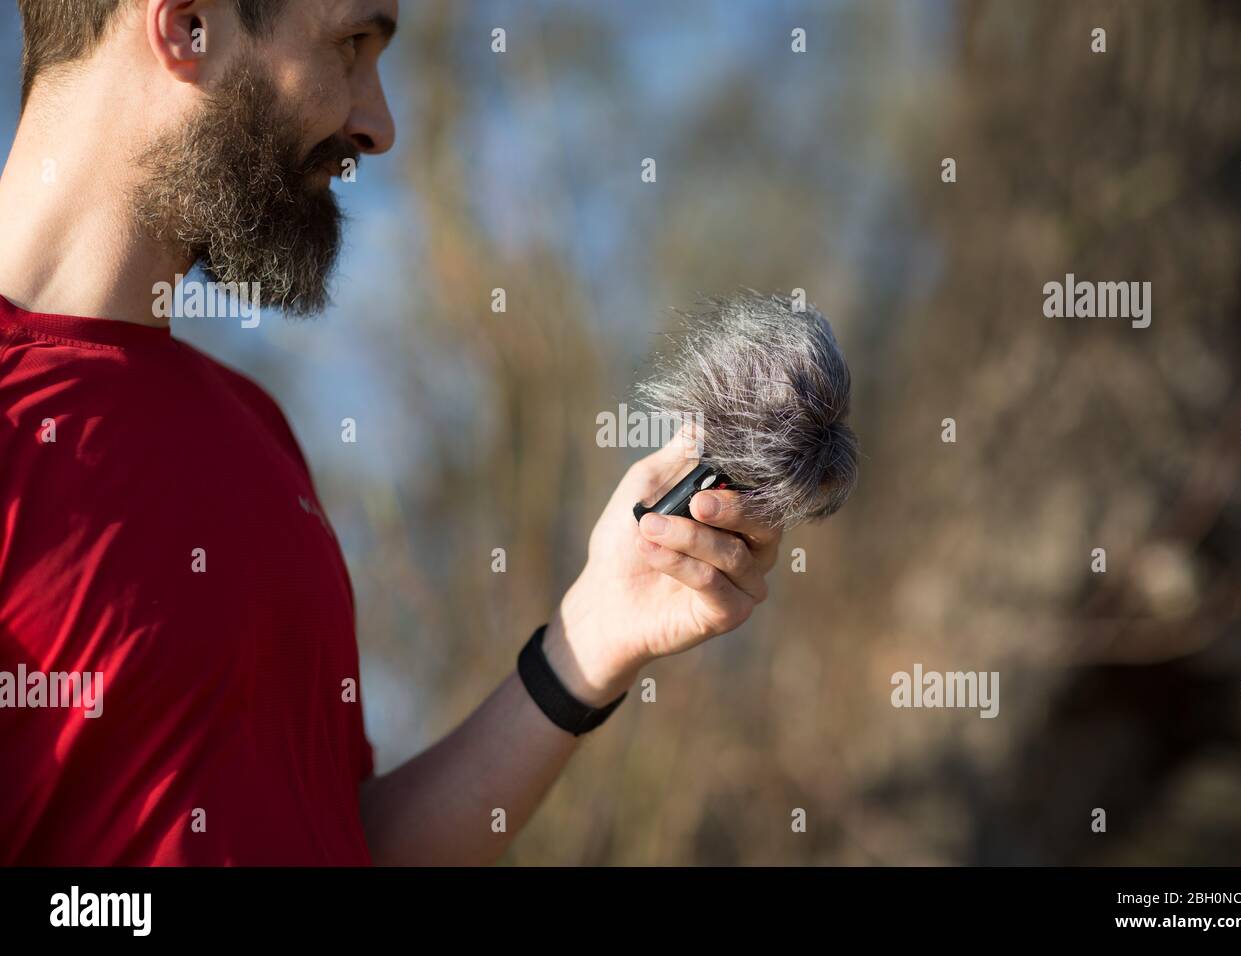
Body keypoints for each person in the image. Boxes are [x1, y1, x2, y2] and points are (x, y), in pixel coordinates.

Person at [0, 0, 781, 865]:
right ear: (187, 27)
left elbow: (348, 844)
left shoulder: (256, 435)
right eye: (350, 46)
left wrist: (591, 639)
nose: (379, 126)